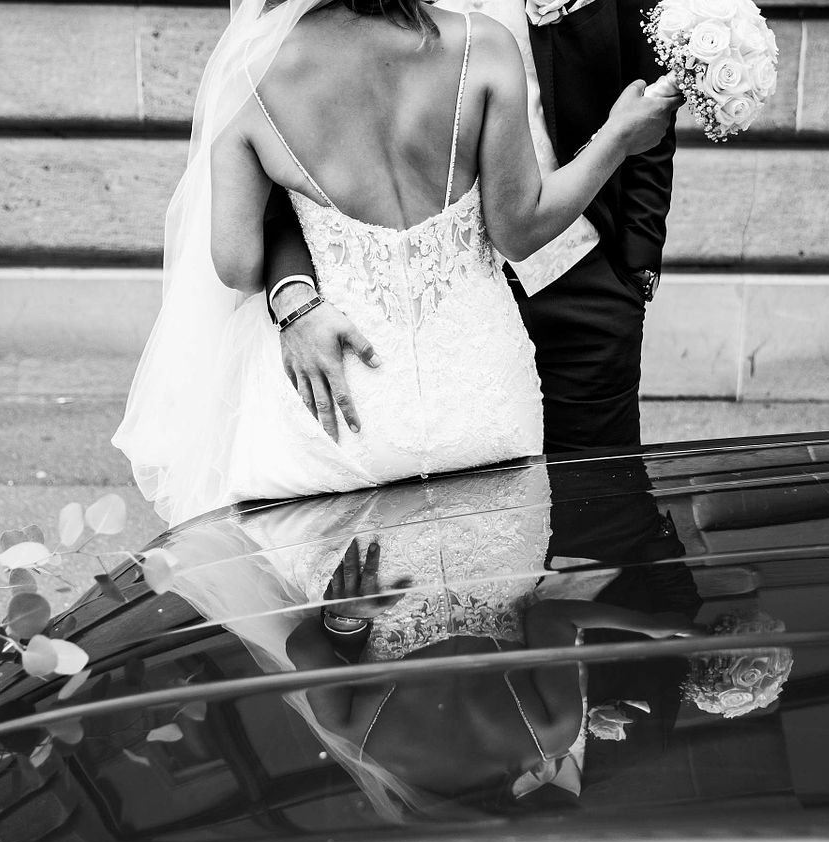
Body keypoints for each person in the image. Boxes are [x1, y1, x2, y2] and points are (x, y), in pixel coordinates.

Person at [112, 0, 680, 526]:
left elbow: (237, 266)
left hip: (342, 395)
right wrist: (617, 137)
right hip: (480, 391)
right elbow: (519, 231)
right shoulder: (481, 45)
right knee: (512, 565)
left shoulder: (251, 77)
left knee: (334, 569)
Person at [266, 0, 680, 455]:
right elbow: (275, 169)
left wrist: (637, 267)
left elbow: (650, 93)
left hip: (582, 278)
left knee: (600, 488)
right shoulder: (287, 43)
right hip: (420, 315)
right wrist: (293, 296)